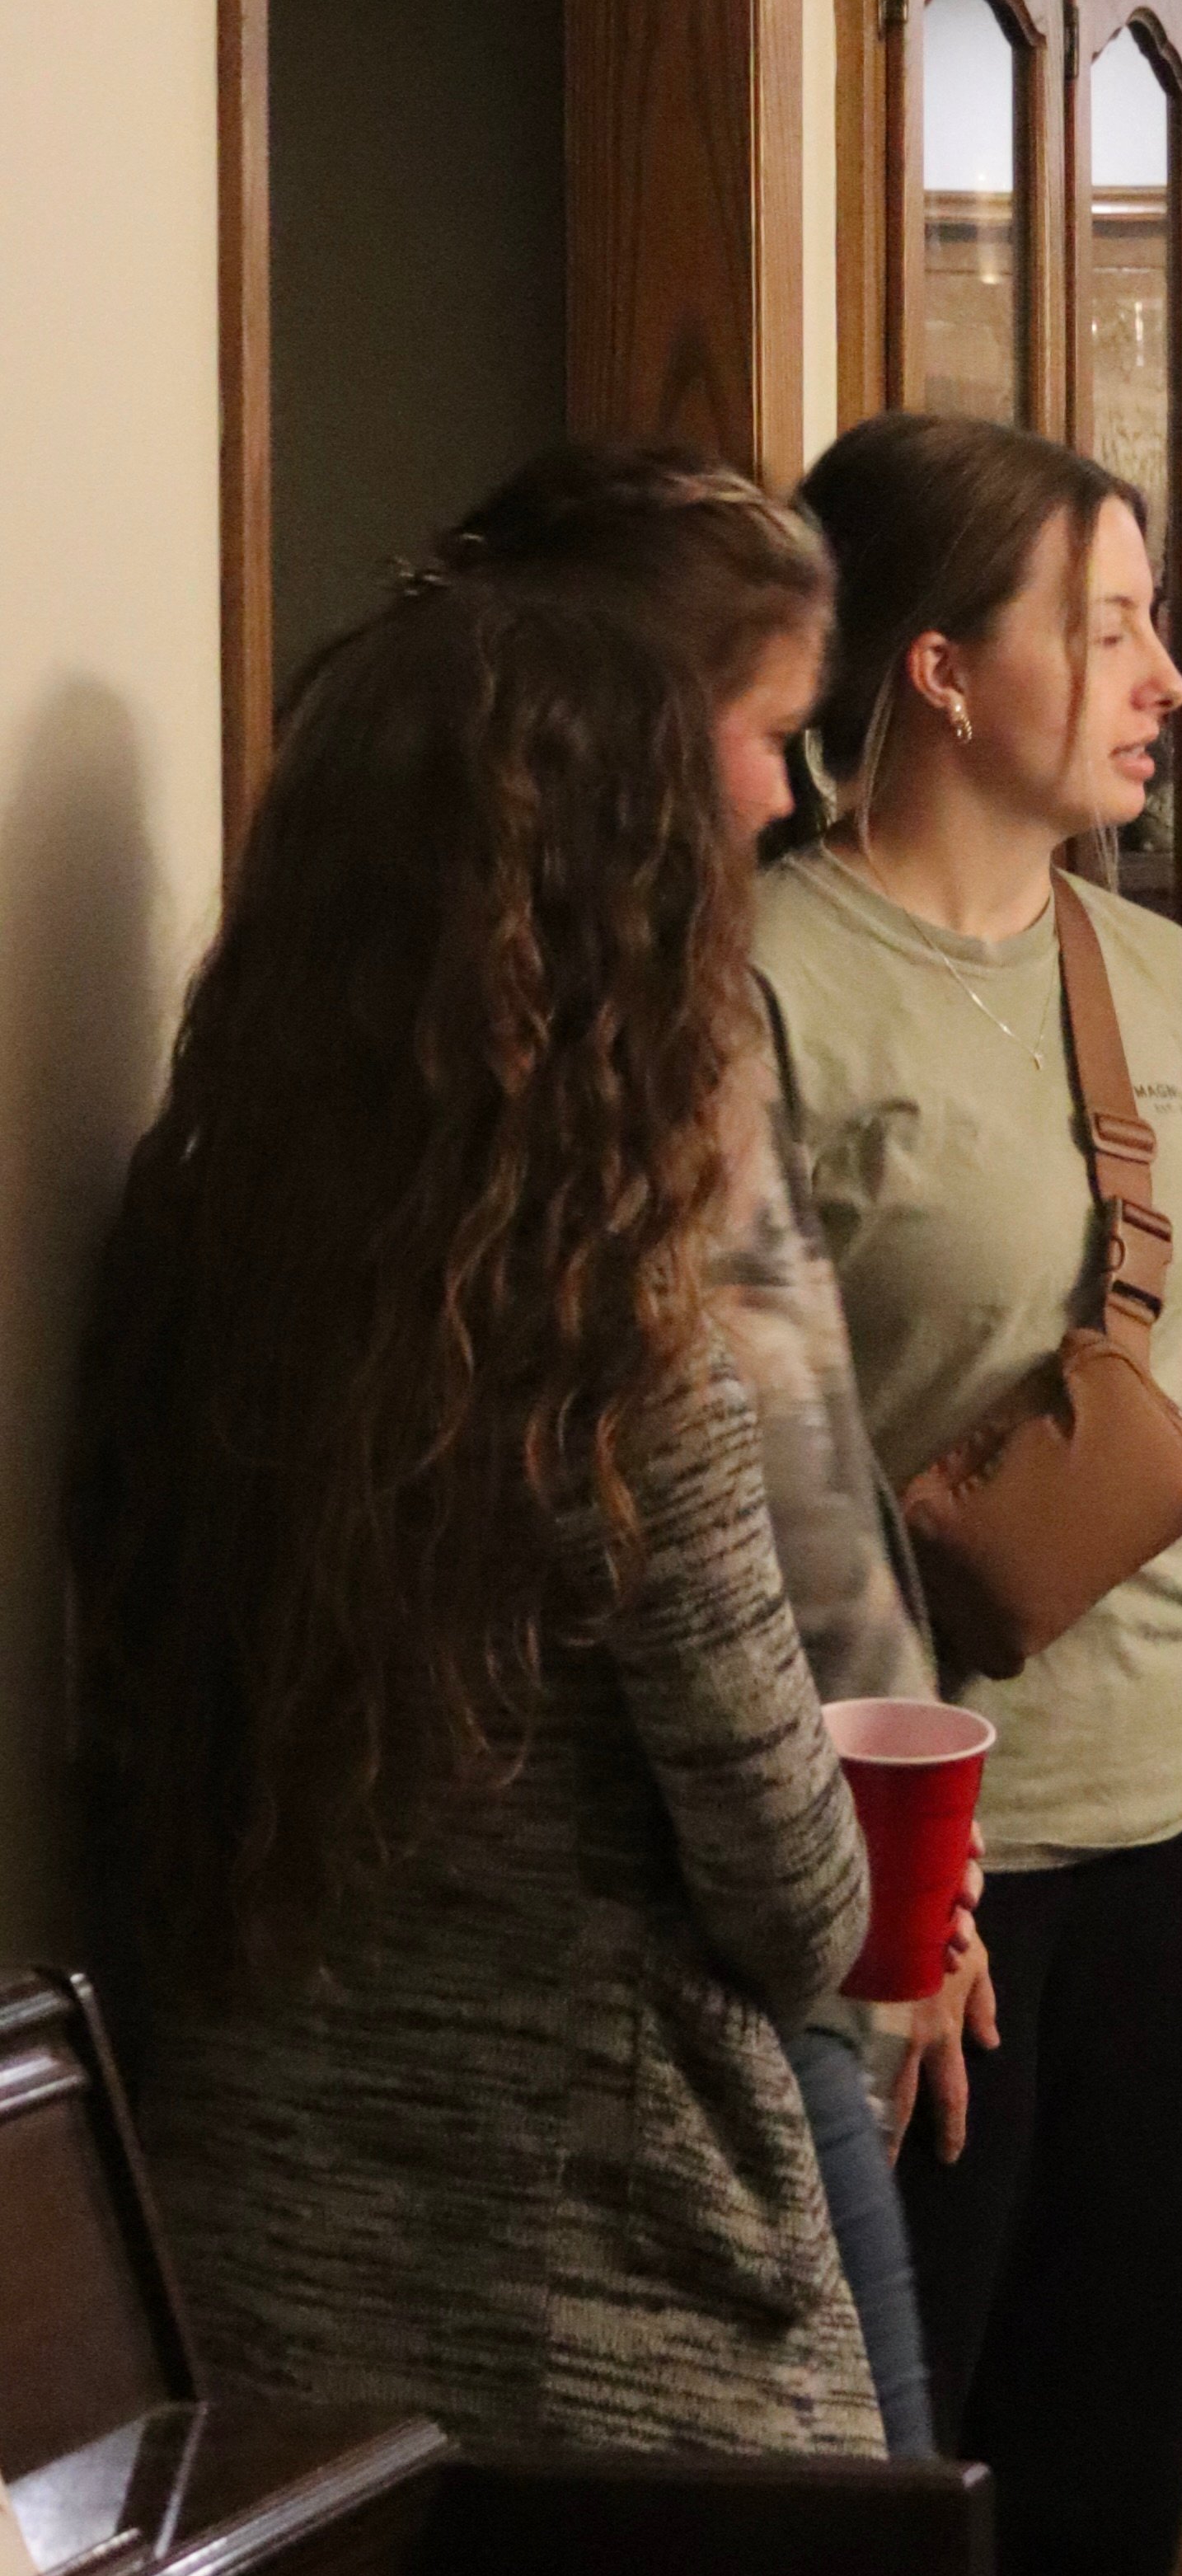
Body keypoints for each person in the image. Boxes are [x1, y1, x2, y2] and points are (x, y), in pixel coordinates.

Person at [68, 561, 881, 2458]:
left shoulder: (174, 1283)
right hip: (602, 2326)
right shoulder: (631, 1370)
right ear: (629, 935)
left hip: (251, 2288)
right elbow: (796, 1897)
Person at [757, 410, 1182, 2576]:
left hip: (1170, 1830)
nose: (1168, 677)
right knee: (886, 2557)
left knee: (1090, 2540)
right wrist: (883, 1895)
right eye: (1112, 622)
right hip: (914, 1899)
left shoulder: (1158, 977)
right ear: (938, 669)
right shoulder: (761, 972)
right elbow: (736, 1484)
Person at [434, 442, 997, 2461]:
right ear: (621, 749)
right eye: (766, 733)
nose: (792, 793)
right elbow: (761, 1543)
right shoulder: (612, 1187)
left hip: (461, 2116)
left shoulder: (266, 1145)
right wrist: (890, 1912)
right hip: (681, 2049)